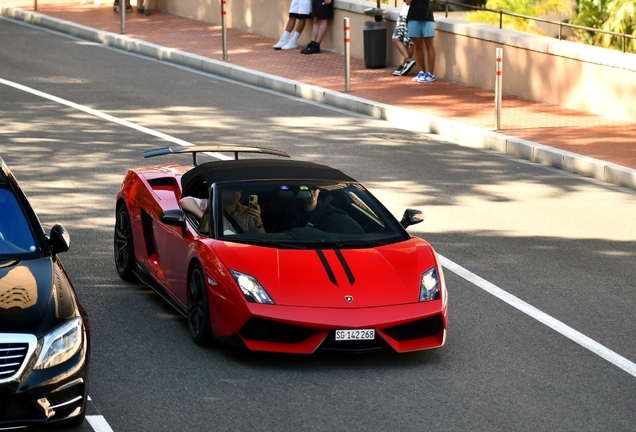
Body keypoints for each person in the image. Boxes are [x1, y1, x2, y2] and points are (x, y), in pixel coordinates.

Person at [179, 190, 265, 235]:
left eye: (238, 190)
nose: (235, 193)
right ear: (222, 191)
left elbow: (261, 239)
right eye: (231, 190)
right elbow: (185, 201)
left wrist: (258, 221)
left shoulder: (248, 212)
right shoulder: (211, 205)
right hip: (219, 248)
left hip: (243, 250)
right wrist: (205, 217)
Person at [406, 0, 436, 83]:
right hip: (413, 17)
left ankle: (430, 74)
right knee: (418, 45)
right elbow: (407, 2)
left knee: (429, 44)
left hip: (427, 17)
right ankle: (422, 72)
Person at [392, 3, 416, 76]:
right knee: (409, 42)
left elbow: (408, 2)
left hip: (406, 15)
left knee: (396, 38)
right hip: (411, 15)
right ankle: (407, 64)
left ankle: (408, 60)